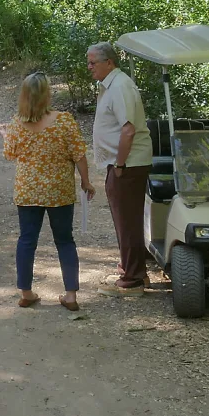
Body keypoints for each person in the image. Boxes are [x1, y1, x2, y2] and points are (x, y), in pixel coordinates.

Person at [0, 72, 94, 310]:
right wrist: (86, 181)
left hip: (28, 191)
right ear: (47, 94)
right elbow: (79, 154)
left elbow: (10, 154)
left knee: (27, 240)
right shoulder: (64, 121)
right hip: (59, 191)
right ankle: (70, 295)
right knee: (65, 240)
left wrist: (6, 136)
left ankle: (26, 292)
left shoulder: (17, 123)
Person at [88, 41, 155, 293]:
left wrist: (120, 164)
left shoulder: (120, 86)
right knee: (126, 220)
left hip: (128, 164)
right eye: (88, 62)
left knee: (127, 221)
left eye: (93, 62)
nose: (89, 67)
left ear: (109, 62)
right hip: (124, 163)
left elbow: (128, 130)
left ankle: (132, 279)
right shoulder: (112, 84)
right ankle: (135, 270)